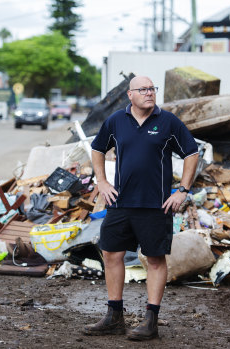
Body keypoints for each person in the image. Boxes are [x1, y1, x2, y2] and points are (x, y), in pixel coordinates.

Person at [83, 75, 199, 340]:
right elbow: (97, 149)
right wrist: (101, 181)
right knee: (111, 255)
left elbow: (191, 153)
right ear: (130, 95)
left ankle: (151, 321)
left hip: (155, 205)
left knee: (155, 260)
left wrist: (182, 190)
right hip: (120, 202)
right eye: (143, 89)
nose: (149, 93)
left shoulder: (168, 122)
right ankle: (114, 317)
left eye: (152, 89)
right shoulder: (115, 121)